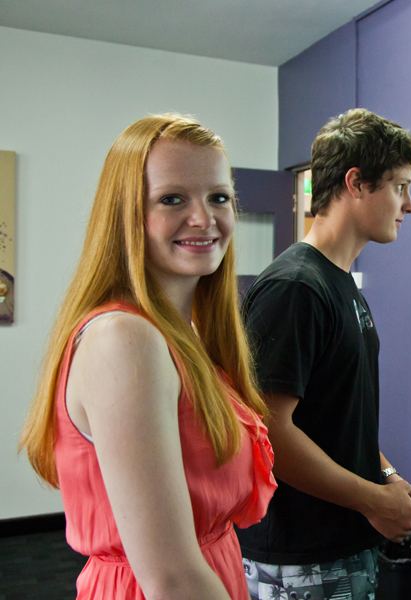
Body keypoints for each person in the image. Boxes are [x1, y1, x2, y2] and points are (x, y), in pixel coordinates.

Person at [19, 114, 277, 600]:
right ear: (126, 214)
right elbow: (172, 580)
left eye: (219, 197)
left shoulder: (182, 334)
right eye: (172, 198)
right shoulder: (125, 340)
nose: (204, 217)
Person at [236, 108, 411, 600]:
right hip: (300, 560)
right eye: (399, 186)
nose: (408, 205)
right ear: (356, 183)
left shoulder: (337, 283)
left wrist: (385, 475)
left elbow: (336, 418)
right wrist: (374, 500)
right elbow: (269, 434)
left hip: (339, 548)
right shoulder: (296, 287)